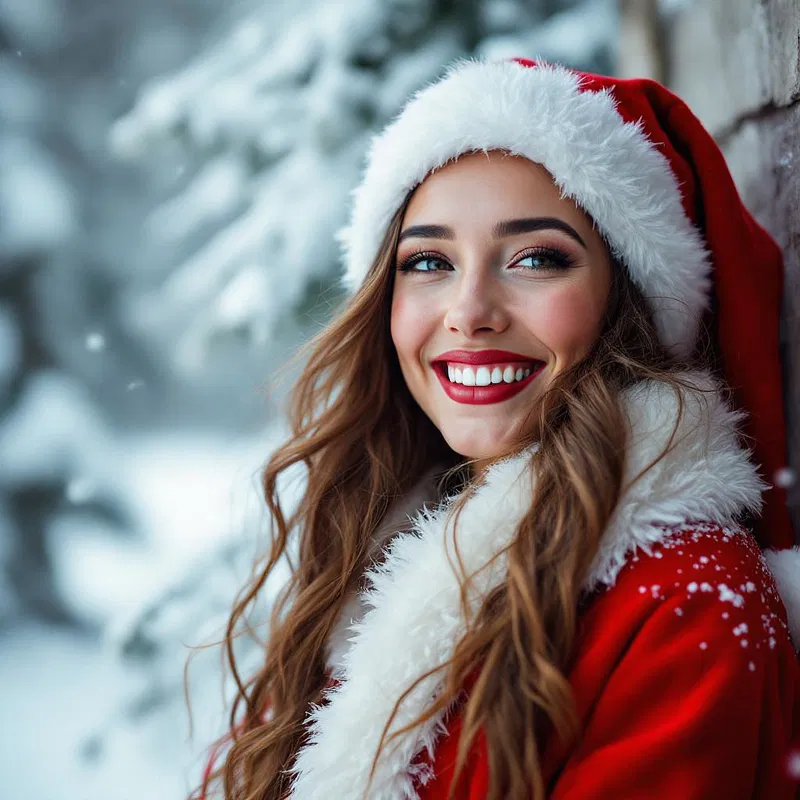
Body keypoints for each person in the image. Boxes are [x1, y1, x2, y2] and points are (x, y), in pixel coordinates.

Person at [197, 59, 800, 800]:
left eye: (537, 258)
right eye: (428, 262)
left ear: (630, 300)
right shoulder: (372, 547)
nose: (469, 309)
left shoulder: (689, 602)